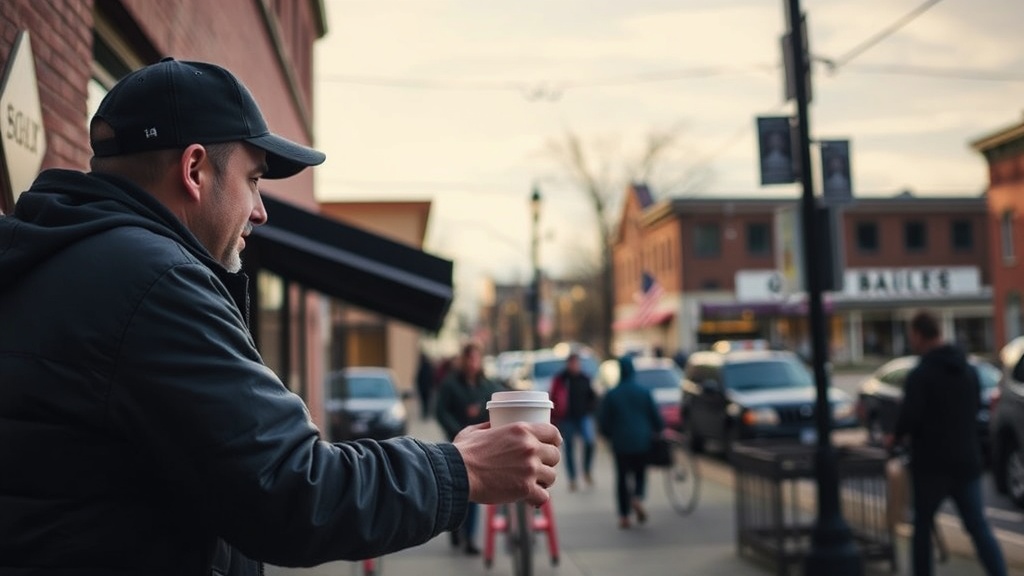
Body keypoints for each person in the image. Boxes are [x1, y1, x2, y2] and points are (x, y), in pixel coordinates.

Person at [0, 58, 561, 574]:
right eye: (254, 179)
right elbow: (293, 489)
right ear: (195, 170)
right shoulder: (152, 281)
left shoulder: (62, 257)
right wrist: (463, 470)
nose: (261, 211)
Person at [887, 310, 1006, 576]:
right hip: (967, 459)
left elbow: (910, 418)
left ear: (918, 335)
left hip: (930, 464)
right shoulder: (968, 370)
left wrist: (895, 437)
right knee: (977, 526)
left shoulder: (921, 374)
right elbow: (976, 407)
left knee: (922, 526)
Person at [435, 342, 505, 555]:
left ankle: (470, 537)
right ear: (464, 360)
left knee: (473, 489)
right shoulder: (450, 384)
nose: (473, 363)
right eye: (470, 359)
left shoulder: (487, 384)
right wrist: (456, 429)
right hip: (456, 443)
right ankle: (455, 528)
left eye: (477, 358)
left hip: (480, 443)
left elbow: (497, 399)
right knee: (457, 489)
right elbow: (440, 411)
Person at [597, 355, 664, 529]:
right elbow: (656, 418)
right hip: (642, 441)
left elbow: (604, 422)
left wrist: (609, 436)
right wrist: (658, 430)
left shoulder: (612, 394)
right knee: (640, 473)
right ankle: (637, 497)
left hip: (621, 443)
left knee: (621, 478)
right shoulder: (644, 392)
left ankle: (624, 515)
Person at [549, 352, 597, 491]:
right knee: (569, 448)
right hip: (567, 418)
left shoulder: (584, 378)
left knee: (589, 442)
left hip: (583, 416)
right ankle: (572, 478)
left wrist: (590, 408)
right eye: (572, 363)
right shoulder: (561, 379)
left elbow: (592, 396)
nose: (575, 366)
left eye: (577, 363)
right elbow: (554, 397)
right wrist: (555, 417)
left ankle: (586, 469)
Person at [416, 351, 435, 420]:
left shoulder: (423, 367)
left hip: (424, 388)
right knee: (426, 402)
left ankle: (425, 413)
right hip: (426, 388)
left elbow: (419, 378)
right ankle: (426, 413)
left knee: (425, 402)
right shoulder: (427, 366)